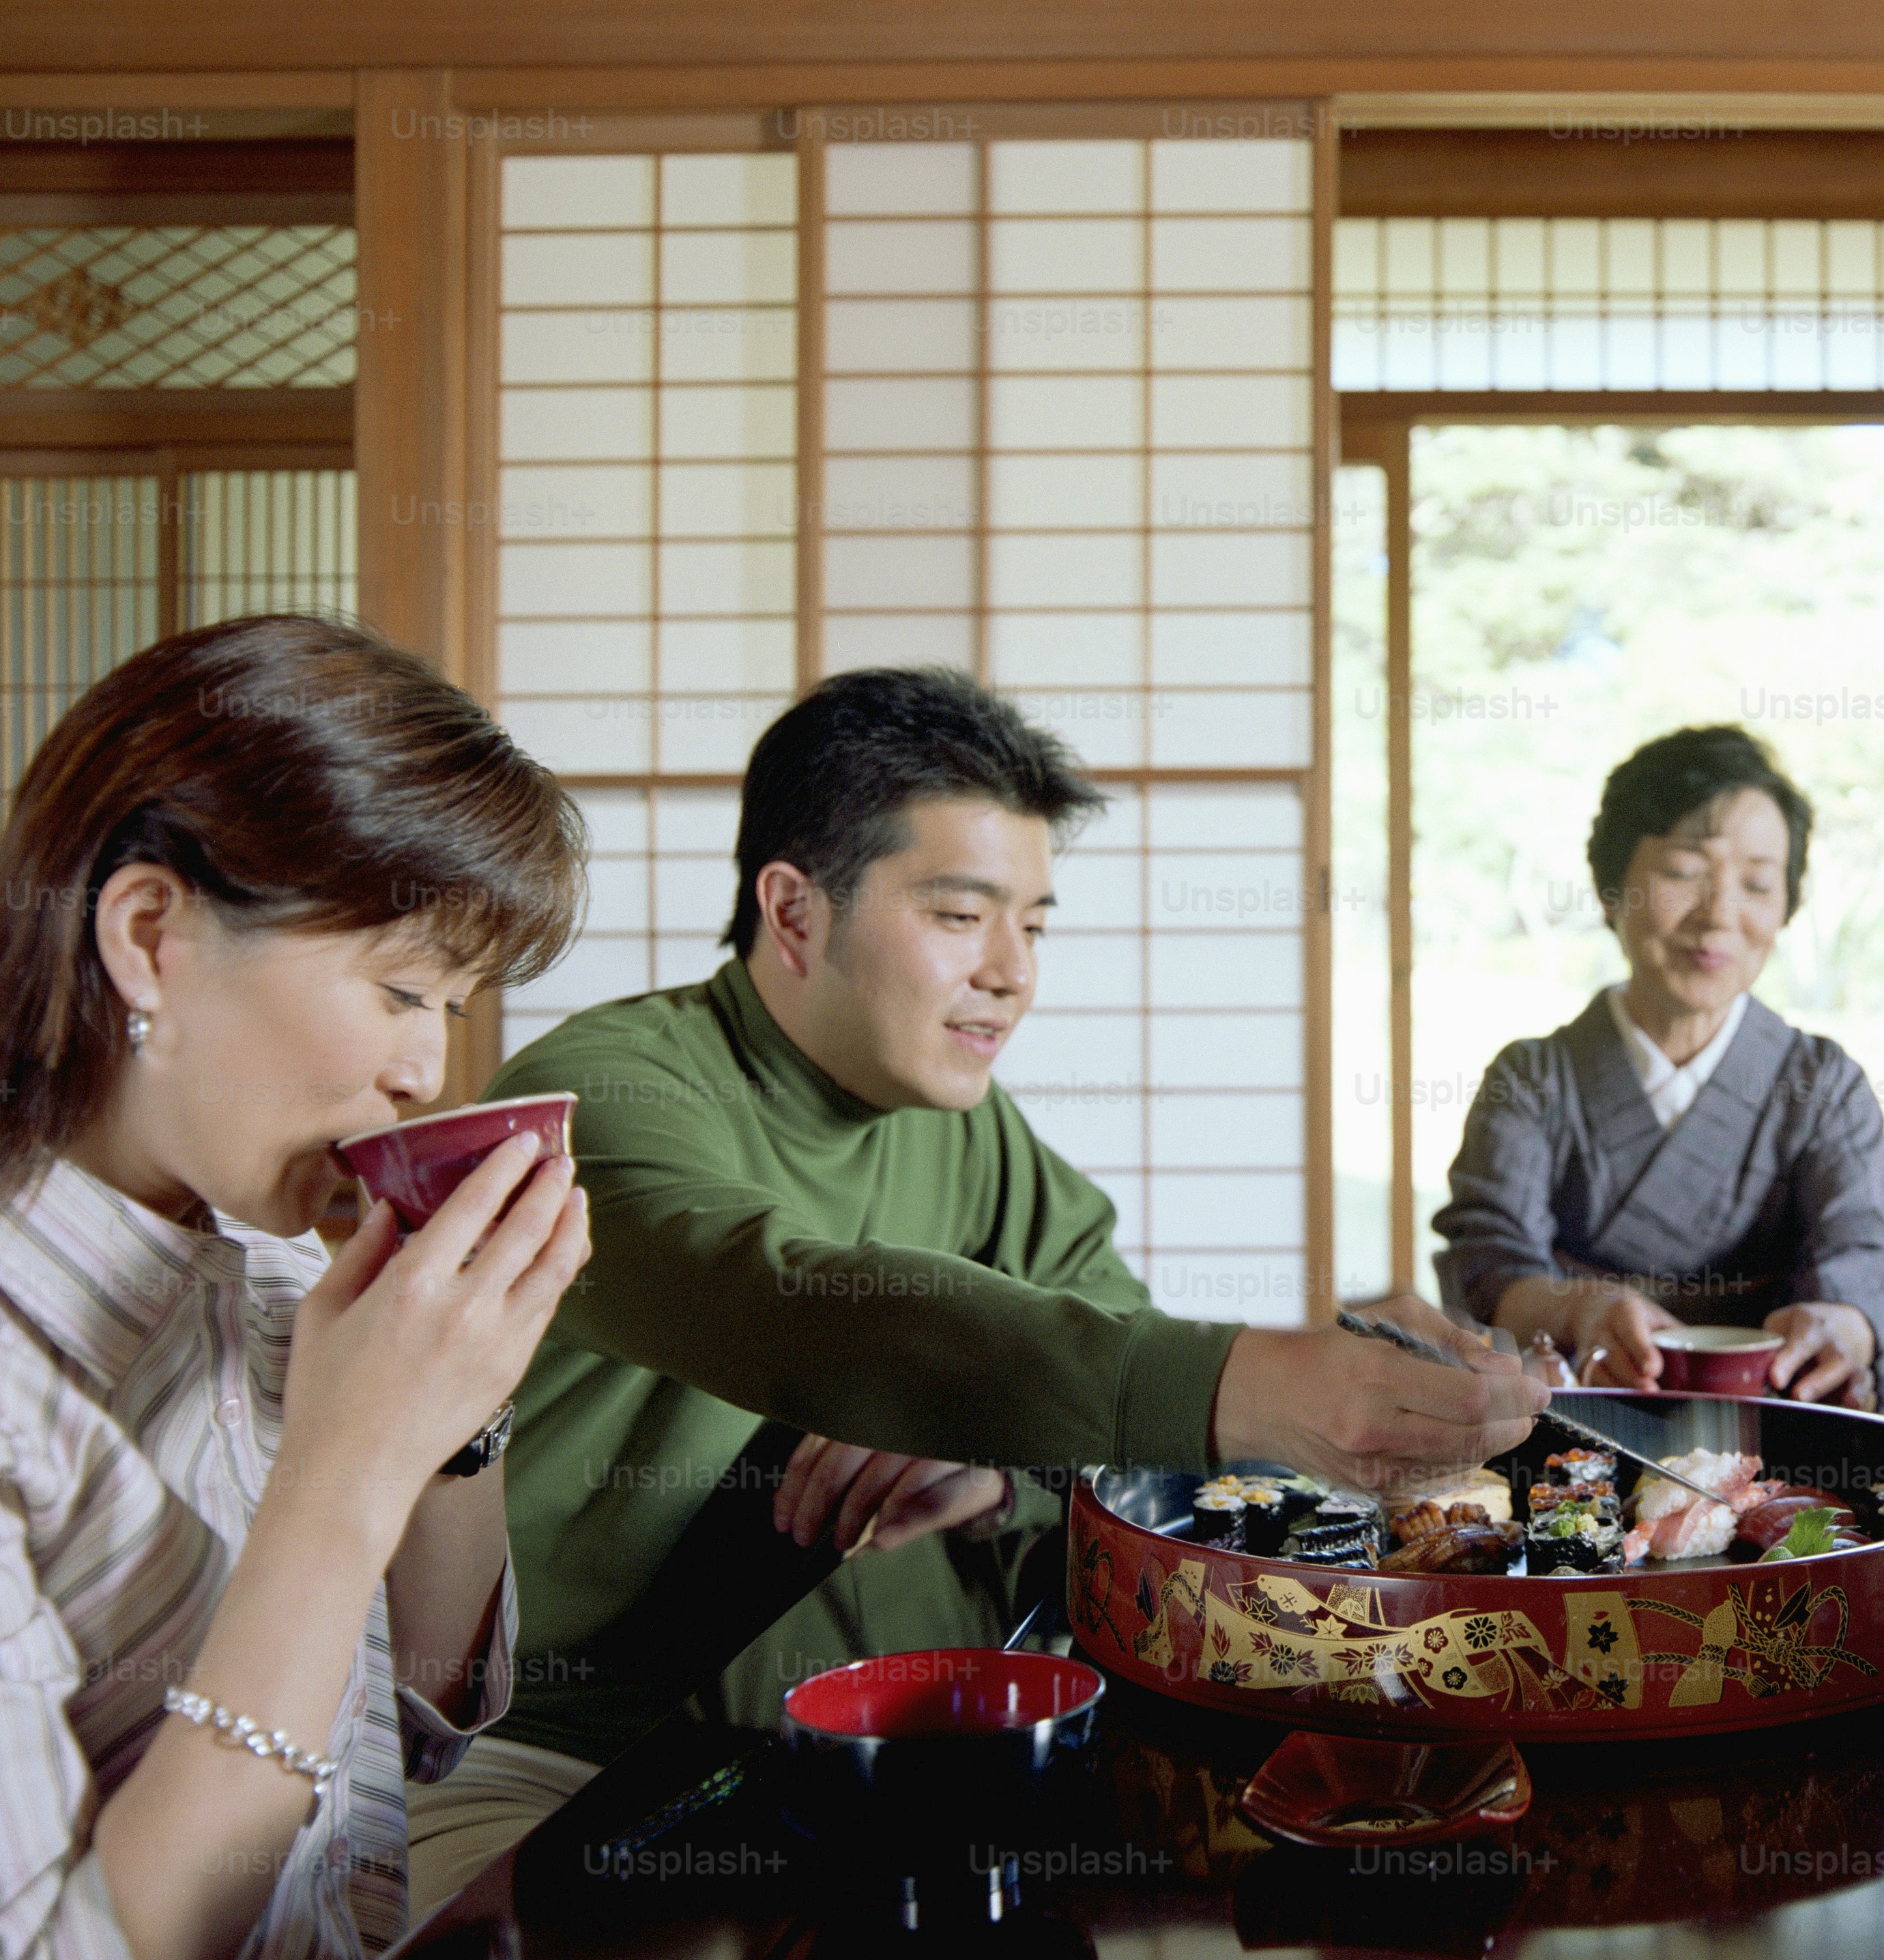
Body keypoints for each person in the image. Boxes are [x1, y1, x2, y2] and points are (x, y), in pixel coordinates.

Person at [419, 668, 1539, 1867]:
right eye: (960, 916)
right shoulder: (615, 1094)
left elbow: (1121, 1410)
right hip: (580, 1765)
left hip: (913, 1750)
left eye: (1035, 923)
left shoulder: (971, 1129)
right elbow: (788, 1302)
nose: (1012, 971)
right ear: (794, 912)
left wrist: (999, 1471)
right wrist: (1251, 1385)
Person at [0, 616, 591, 1960]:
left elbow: (421, 1725)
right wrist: (342, 1473)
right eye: (403, 988)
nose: (428, 1066)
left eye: (461, 1003)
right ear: (149, 935)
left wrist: (450, 1422)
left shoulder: (264, 1257)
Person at [1434, 725, 1884, 1414]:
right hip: (1581, 1438)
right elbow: (1491, 1264)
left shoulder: (1819, 1082)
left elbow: (1868, 1249)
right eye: (1683, 872)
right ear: (1612, 886)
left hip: (1781, 1435)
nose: (1720, 915)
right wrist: (1586, 1309)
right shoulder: (1532, 1078)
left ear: (1786, 905)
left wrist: (1842, 1323)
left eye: (1758, 883)